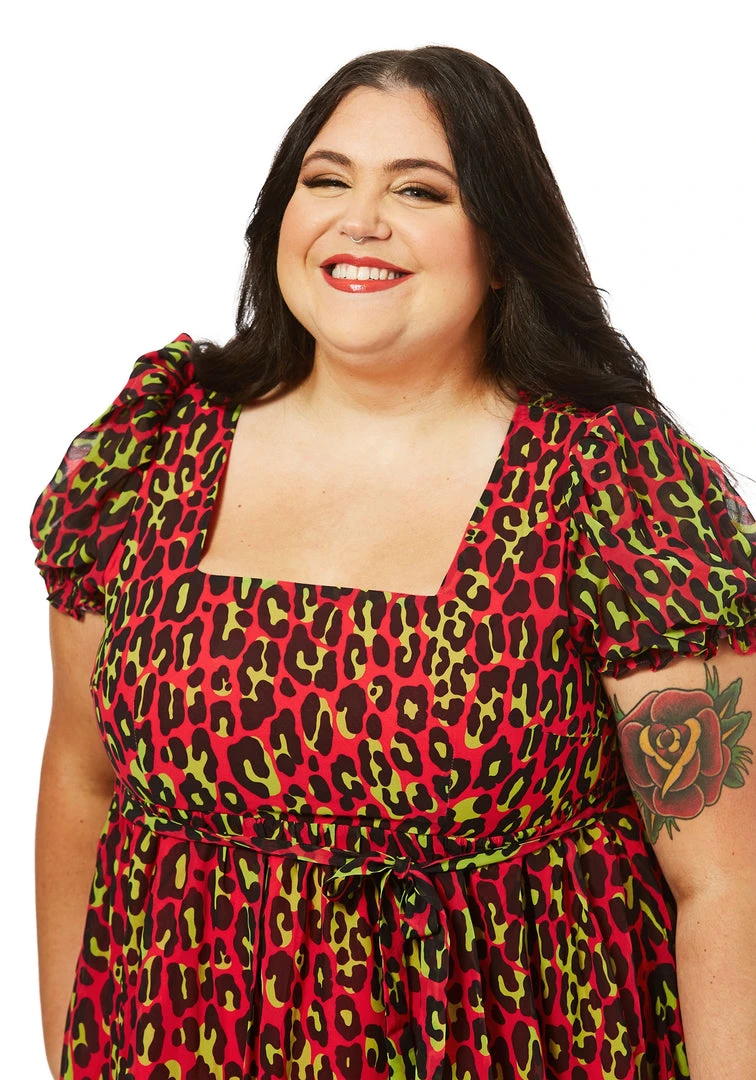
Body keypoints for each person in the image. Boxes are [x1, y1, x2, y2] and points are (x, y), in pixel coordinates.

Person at [30, 44, 756, 1080]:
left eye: (419, 190)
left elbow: (726, 882)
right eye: (326, 180)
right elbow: (82, 783)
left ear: (502, 245)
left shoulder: (611, 487)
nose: (359, 220)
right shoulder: (154, 455)